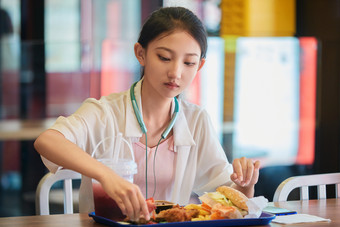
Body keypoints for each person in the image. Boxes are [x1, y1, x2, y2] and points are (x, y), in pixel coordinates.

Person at [34, 6, 260, 221]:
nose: (175, 72)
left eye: (189, 62)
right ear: (140, 54)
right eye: (164, 58)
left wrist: (245, 184)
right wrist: (106, 175)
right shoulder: (105, 112)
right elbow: (47, 141)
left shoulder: (196, 120)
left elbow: (228, 195)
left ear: (199, 66)